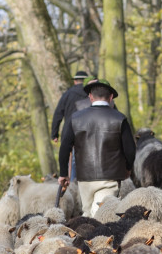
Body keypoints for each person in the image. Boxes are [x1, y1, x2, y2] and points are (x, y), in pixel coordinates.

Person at [58, 79, 136, 217]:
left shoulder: (75, 118)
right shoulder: (120, 118)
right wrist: (128, 168)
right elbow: (130, 150)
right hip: (110, 177)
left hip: (84, 178)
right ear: (111, 97)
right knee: (101, 214)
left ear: (90, 97)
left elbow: (65, 148)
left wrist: (64, 173)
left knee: (88, 213)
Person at [51, 69, 91, 143]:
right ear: (87, 81)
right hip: (89, 133)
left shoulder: (67, 94)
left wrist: (54, 134)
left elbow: (58, 114)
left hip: (69, 132)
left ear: (75, 81)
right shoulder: (92, 94)